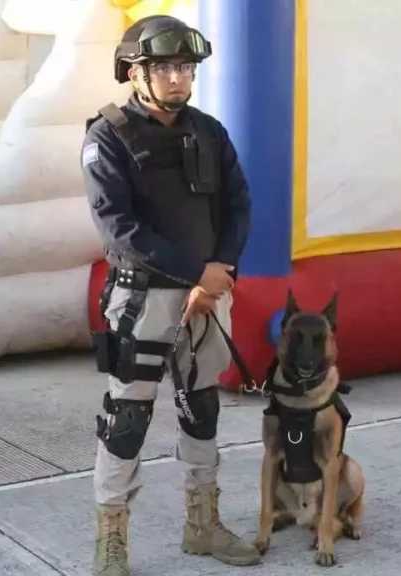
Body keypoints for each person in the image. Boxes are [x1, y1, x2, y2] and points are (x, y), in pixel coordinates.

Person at [81, 15, 258, 575]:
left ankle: (202, 523)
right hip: (143, 298)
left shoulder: (209, 130)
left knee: (201, 408)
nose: (179, 78)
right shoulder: (107, 134)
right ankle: (111, 539)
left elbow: (239, 205)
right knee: (126, 418)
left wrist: (220, 270)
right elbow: (118, 227)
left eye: (186, 67)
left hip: (207, 297)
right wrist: (198, 273)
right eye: (165, 68)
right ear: (136, 72)